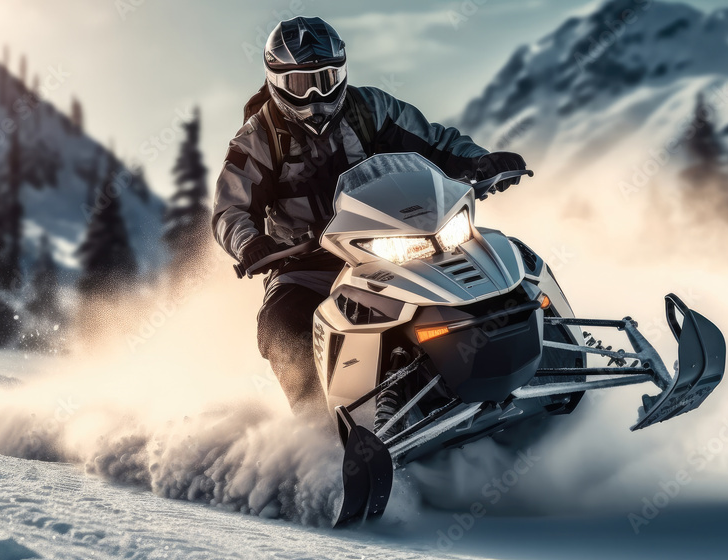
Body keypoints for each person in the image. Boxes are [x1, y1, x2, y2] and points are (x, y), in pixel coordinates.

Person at [212, 16, 527, 418]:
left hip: (395, 241)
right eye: (299, 83)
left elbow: (434, 141)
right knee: (280, 321)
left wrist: (479, 161)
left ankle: (555, 348)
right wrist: (249, 241)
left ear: (342, 72)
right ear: (276, 81)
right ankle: (320, 434)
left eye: (325, 78)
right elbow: (230, 208)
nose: (315, 93)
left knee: (499, 251)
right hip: (307, 261)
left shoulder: (371, 108)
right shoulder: (256, 139)